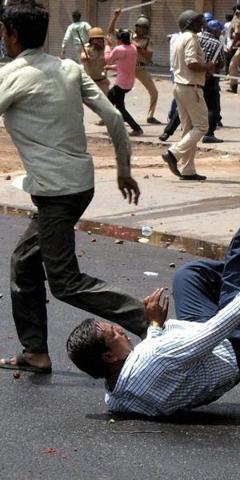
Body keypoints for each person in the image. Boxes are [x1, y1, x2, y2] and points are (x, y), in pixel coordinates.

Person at [66, 117, 240, 416]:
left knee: (189, 275)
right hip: (234, 346)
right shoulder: (157, 357)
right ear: (108, 357)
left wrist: (155, 328)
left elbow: (152, 372)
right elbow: (217, 330)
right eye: (115, 335)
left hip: (194, 345)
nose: (124, 332)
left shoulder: (115, 395)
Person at [0, 0, 144, 375]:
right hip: (80, 185)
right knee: (24, 263)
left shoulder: (13, 74)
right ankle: (34, 351)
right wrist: (123, 170)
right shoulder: (68, 68)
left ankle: (146, 318)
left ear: (12, 35)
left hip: (56, 193)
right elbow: (114, 117)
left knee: (64, 283)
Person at [161, 10, 216, 181]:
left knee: (188, 129)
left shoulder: (178, 39)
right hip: (191, 88)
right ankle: (173, 153)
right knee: (202, 127)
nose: (202, 25)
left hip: (180, 86)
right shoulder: (191, 38)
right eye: (199, 22)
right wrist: (208, 67)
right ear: (189, 23)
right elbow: (192, 63)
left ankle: (187, 170)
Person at [108, 11, 160, 125]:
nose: (142, 30)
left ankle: (150, 116)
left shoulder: (147, 40)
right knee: (115, 93)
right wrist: (115, 16)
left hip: (140, 68)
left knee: (154, 92)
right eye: (140, 27)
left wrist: (139, 48)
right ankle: (106, 116)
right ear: (136, 27)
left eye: (145, 28)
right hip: (126, 68)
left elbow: (149, 56)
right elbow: (111, 31)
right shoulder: (128, 34)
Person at [104, 27, 144, 136]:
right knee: (109, 102)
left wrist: (108, 45)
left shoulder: (119, 49)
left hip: (121, 84)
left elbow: (107, 59)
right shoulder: (133, 48)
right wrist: (110, 67)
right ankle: (114, 125)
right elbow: (123, 66)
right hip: (129, 83)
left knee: (118, 107)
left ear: (120, 40)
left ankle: (136, 128)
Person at [197, 19, 225, 144]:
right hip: (209, 78)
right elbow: (221, 63)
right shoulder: (216, 43)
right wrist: (215, 66)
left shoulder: (196, 38)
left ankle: (169, 131)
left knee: (190, 104)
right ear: (215, 30)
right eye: (219, 30)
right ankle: (209, 134)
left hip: (194, 76)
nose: (220, 33)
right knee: (212, 108)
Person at [80, 27, 109, 96]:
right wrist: (86, 57)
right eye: (96, 39)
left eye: (100, 39)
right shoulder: (87, 48)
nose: (99, 41)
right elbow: (83, 55)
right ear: (92, 40)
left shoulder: (106, 49)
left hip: (103, 82)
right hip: (90, 82)